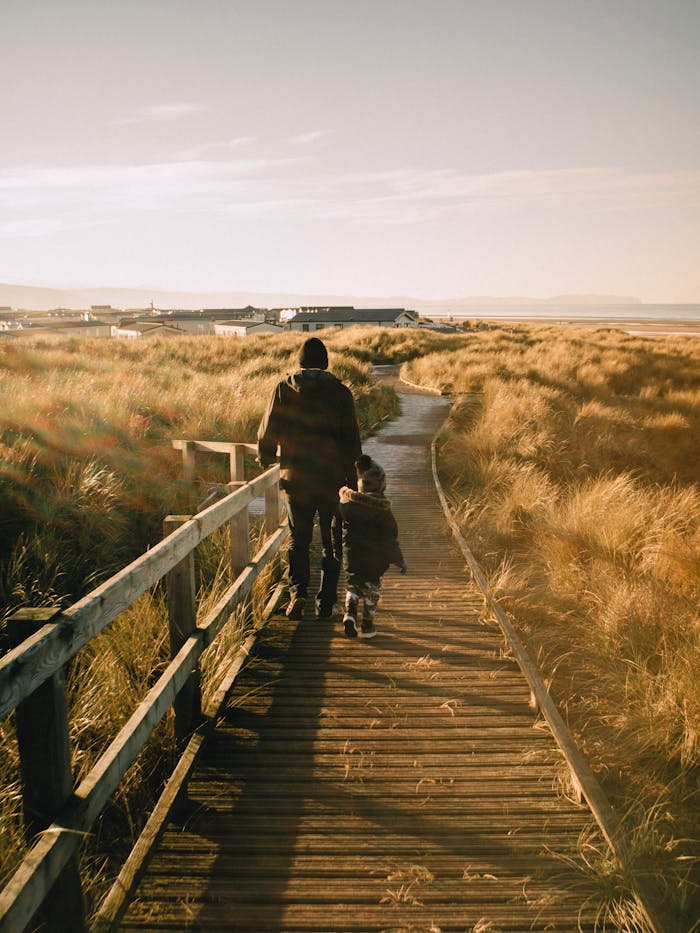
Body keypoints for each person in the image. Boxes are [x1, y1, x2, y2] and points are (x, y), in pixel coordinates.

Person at [257, 336, 361, 620]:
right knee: (331, 543)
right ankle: (326, 602)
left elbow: (267, 430)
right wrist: (353, 483)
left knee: (298, 539)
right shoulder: (340, 393)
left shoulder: (283, 390)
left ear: (300, 362)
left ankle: (297, 593)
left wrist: (266, 459)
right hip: (331, 480)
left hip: (296, 478)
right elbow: (351, 441)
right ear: (325, 363)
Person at [339, 454, 407, 639]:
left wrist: (339, 550)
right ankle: (367, 626)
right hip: (375, 560)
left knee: (353, 586)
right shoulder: (384, 512)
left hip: (352, 556)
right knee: (372, 590)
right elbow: (389, 540)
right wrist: (399, 560)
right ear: (382, 485)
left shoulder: (347, 506)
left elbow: (340, 531)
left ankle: (350, 614)